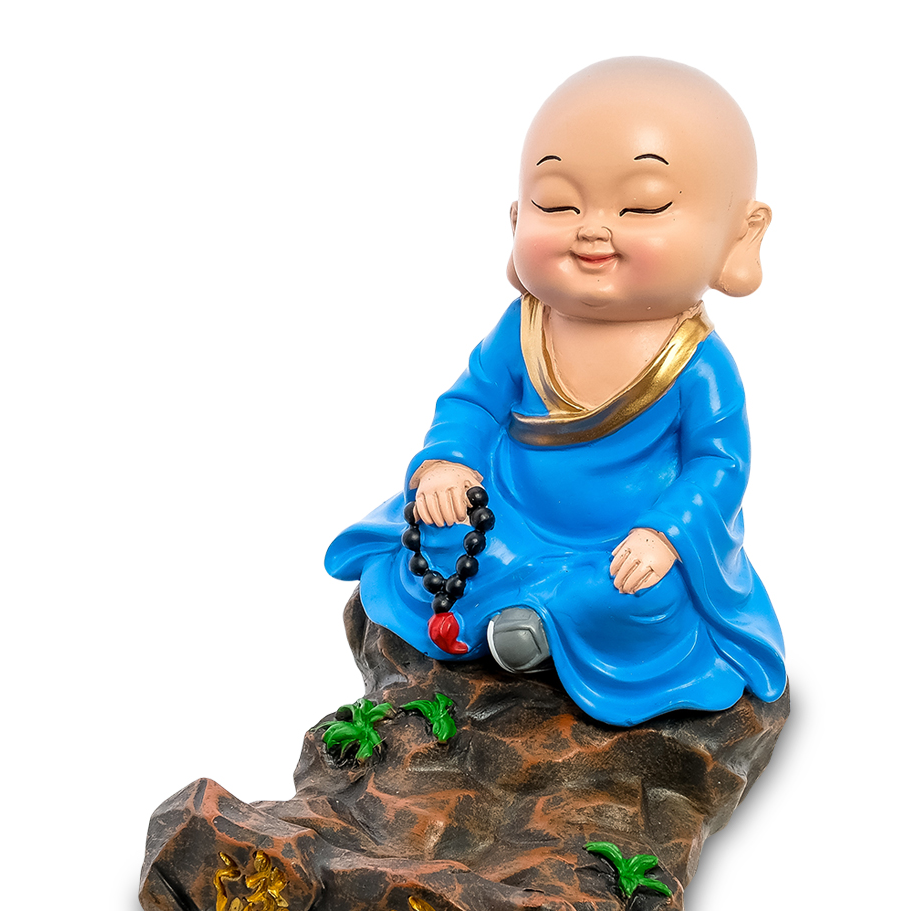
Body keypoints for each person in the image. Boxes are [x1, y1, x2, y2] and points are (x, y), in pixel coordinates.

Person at [326, 57, 786, 727]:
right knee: (439, 533)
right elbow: (472, 403)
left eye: (643, 206)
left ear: (738, 235)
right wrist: (448, 463)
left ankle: (543, 623)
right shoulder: (525, 326)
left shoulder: (697, 362)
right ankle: (526, 622)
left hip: (620, 545)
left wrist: (665, 534)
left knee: (648, 598)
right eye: (557, 203)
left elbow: (720, 465)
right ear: (517, 216)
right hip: (509, 516)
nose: (591, 229)